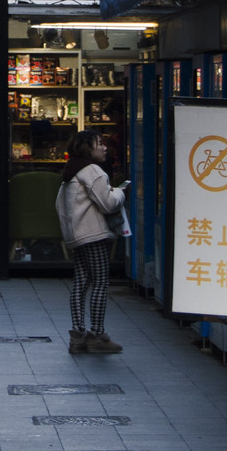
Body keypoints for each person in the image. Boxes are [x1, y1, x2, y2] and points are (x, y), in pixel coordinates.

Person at [55, 130, 129, 355]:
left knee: (81, 281)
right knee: (100, 281)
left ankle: (77, 335)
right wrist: (120, 193)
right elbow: (108, 204)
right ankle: (97, 335)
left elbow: (59, 204)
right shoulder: (92, 171)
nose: (104, 147)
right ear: (88, 148)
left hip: (76, 235)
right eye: (100, 143)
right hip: (92, 234)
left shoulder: (71, 170)